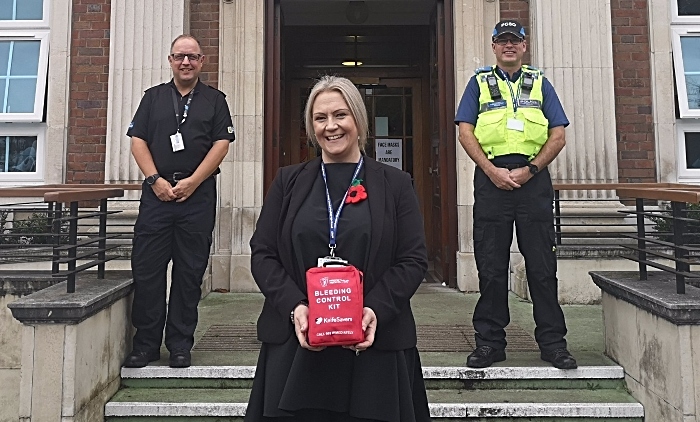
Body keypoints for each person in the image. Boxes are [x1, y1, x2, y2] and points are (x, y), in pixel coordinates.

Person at [245, 75, 430, 422]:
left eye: (340, 115)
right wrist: (296, 308)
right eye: (320, 118)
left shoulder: (396, 184)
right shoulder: (288, 181)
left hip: (375, 347)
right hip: (297, 345)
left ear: (358, 120)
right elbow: (263, 253)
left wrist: (374, 309)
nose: (331, 126)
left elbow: (412, 259)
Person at [455, 20, 577, 370]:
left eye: (515, 41)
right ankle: (490, 344)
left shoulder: (539, 82)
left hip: (532, 180)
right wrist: (492, 171)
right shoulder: (479, 82)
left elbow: (558, 135)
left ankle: (553, 344)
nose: (509, 46)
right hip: (491, 179)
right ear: (493, 46)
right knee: (491, 266)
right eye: (502, 41)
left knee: (541, 266)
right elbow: (465, 132)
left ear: (524, 46)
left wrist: (532, 169)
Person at [123, 34, 235, 368]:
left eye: (192, 57)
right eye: (179, 56)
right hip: (157, 197)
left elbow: (221, 145)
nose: (185, 62)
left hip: (196, 199)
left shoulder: (215, 100)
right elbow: (138, 141)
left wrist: (193, 181)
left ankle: (180, 345)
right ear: (170, 60)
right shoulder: (153, 98)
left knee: (188, 275)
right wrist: (154, 180)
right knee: (148, 272)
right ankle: (145, 346)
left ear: (202, 61)